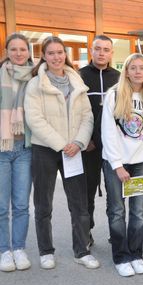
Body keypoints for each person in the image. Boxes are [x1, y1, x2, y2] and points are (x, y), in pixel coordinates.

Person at [24, 36, 99, 270]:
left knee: (79, 204)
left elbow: (87, 116)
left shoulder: (77, 82)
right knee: (43, 203)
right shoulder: (35, 84)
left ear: (65, 54)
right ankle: (46, 250)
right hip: (45, 150)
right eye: (51, 53)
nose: (56, 57)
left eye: (60, 52)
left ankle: (81, 250)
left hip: (74, 149)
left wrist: (78, 141)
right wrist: (61, 144)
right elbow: (34, 119)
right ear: (44, 56)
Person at [101, 53, 143, 276]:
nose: (137, 72)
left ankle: (136, 254)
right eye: (132, 68)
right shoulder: (114, 95)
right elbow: (108, 132)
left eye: (141, 68)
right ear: (126, 71)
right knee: (117, 211)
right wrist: (117, 165)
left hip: (141, 162)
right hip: (117, 163)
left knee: (139, 213)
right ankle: (121, 257)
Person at [80, 35, 120, 246]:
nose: (102, 53)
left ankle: (116, 233)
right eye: (98, 49)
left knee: (115, 194)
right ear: (91, 50)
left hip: (114, 146)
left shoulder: (120, 77)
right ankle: (87, 233)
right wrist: (84, 139)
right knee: (87, 193)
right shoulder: (80, 76)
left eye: (106, 49)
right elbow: (75, 112)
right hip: (89, 147)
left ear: (111, 53)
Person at [0, 33, 34, 272]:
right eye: (14, 49)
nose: (19, 53)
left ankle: (19, 248)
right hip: (2, 147)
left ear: (29, 52)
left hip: (25, 148)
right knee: (1, 206)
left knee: (21, 204)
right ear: (7, 51)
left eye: (23, 49)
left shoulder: (36, 77)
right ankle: (4, 250)